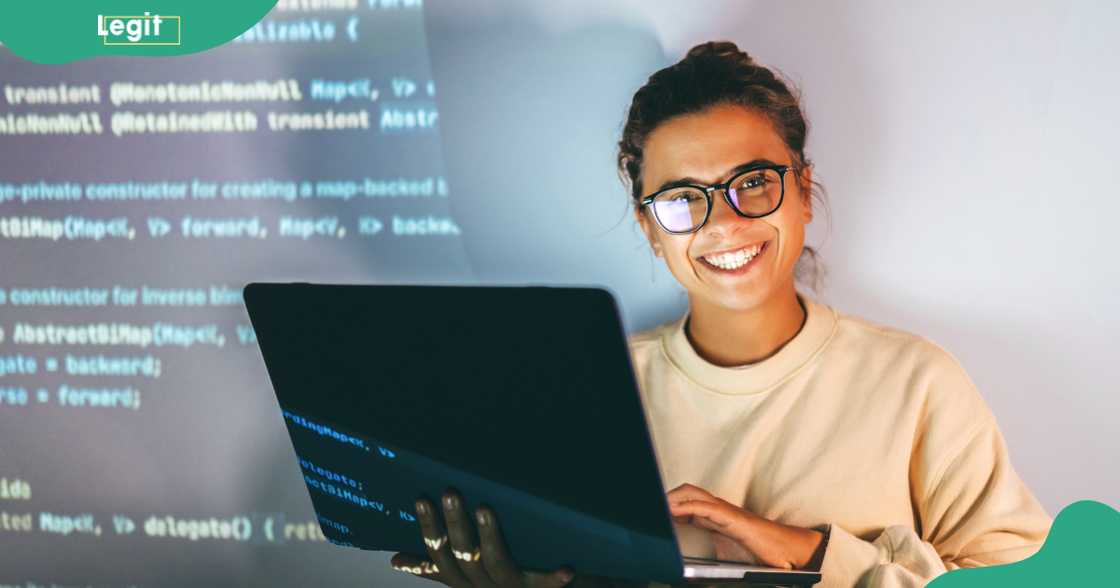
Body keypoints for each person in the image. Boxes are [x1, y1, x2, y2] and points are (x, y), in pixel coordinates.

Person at [389, 40, 1052, 588]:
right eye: (682, 199)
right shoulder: (584, 393)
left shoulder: (918, 384)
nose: (725, 222)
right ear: (651, 230)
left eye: (754, 182)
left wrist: (806, 553)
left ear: (803, 193)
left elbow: (1027, 579)